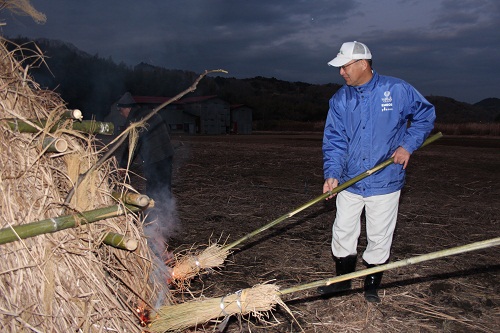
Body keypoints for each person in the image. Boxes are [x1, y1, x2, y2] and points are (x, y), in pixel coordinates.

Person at [318, 41, 436, 302]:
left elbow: (425, 115)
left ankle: (371, 285)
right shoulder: (340, 99)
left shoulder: (396, 89)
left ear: (363, 64)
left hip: (385, 180)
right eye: (339, 68)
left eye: (345, 66)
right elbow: (335, 141)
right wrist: (332, 174)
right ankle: (342, 283)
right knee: (343, 232)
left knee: (380, 235)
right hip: (350, 181)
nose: (341, 72)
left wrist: (407, 145)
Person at [115, 92, 176, 259]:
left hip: (155, 158)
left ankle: (155, 227)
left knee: (153, 192)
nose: (122, 115)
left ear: (126, 109)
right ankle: (162, 223)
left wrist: (123, 166)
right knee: (164, 188)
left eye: (121, 111)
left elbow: (131, 145)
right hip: (166, 155)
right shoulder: (149, 113)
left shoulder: (135, 120)